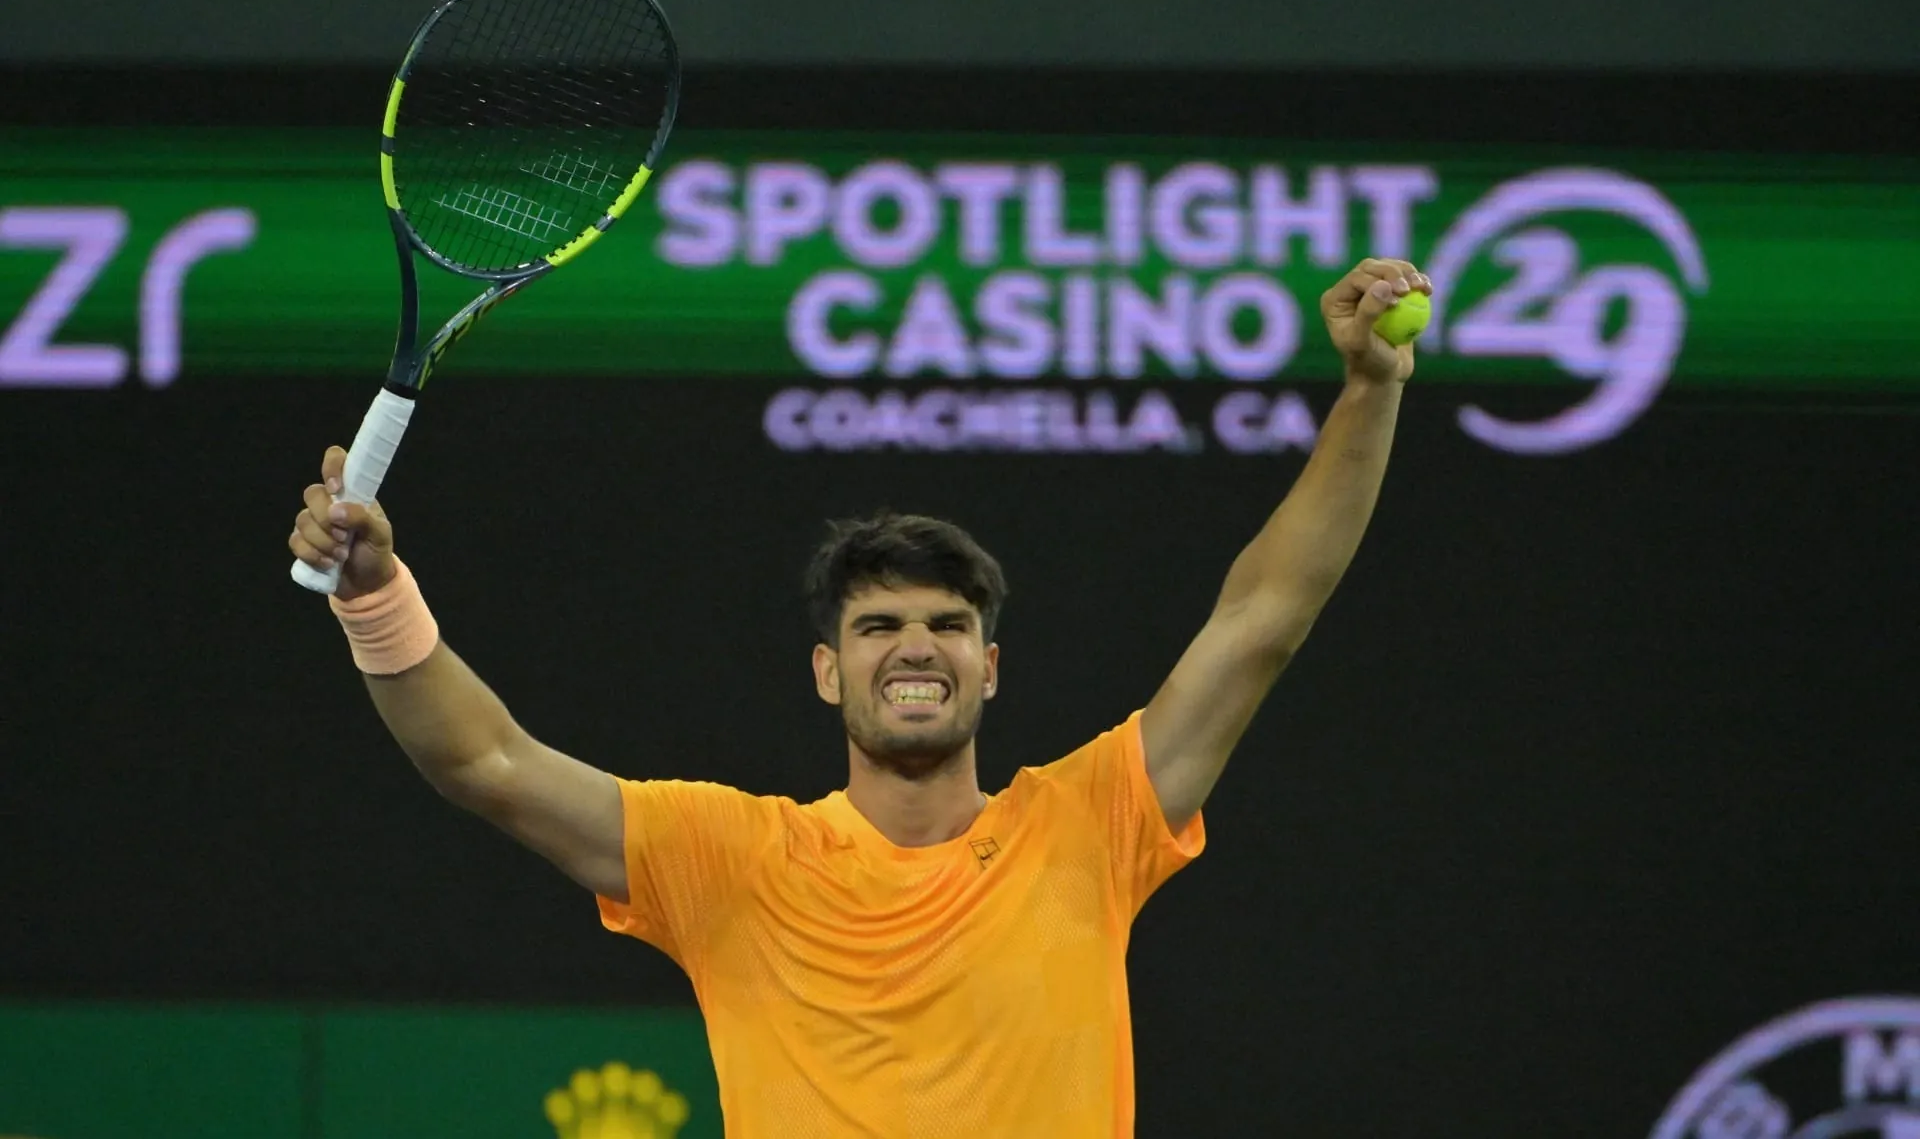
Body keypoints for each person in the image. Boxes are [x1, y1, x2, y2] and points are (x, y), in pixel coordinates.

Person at [287, 258, 1427, 1137]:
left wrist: (1370, 392)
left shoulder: (1091, 823)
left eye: (948, 625)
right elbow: (483, 762)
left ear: (991, 664)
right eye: (879, 626)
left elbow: (1263, 618)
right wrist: (376, 590)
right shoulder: (729, 857)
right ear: (829, 669)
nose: (916, 647)